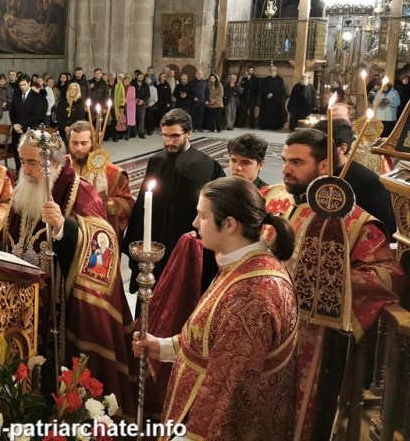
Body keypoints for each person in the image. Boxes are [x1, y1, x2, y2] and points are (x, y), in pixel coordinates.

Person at [263, 128, 404, 440]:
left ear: (324, 166)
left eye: (297, 162)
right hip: (278, 334)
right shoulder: (289, 207)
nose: (286, 169)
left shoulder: (358, 223)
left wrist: (325, 282)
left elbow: (387, 275)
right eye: (285, 160)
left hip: (325, 345)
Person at [133, 177, 298, 440]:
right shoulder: (242, 264)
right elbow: (216, 341)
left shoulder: (251, 296)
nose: (195, 224)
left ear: (230, 224)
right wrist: (162, 347)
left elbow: (226, 394)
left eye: (202, 216)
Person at [0, 129, 137, 418]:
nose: (25, 170)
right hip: (22, 300)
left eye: (33, 163)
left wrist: (65, 228)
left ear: (55, 162)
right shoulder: (25, 189)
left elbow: (104, 244)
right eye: (22, 161)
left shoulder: (79, 189)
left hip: (63, 307)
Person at [123, 108, 224, 294]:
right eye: (165, 136)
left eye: (175, 136)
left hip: (187, 247)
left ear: (189, 134)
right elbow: (142, 208)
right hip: (155, 244)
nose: (169, 142)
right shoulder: (156, 161)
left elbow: (218, 209)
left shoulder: (207, 165)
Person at [312, 118, 397, 237]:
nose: (313, 153)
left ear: (341, 148)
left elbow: (383, 230)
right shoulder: (317, 172)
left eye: (320, 148)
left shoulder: (368, 183)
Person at [67, 120, 134, 240]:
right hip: (68, 234)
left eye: (84, 143)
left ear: (93, 143)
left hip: (99, 236)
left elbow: (127, 205)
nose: (79, 148)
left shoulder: (113, 174)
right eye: (74, 143)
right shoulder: (62, 168)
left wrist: (106, 204)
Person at [9, 74, 46, 171]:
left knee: (28, 155)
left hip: (29, 130)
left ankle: (28, 174)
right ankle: (18, 175)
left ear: (29, 83)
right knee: (17, 155)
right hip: (16, 130)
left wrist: (21, 125)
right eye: (20, 85)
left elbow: (35, 115)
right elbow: (11, 111)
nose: (22, 87)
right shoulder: (16, 94)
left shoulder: (36, 96)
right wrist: (15, 124)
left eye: (24, 85)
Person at [259, 64, 285, 131]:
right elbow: (263, 87)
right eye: (271, 70)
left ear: (276, 70)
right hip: (267, 99)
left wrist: (272, 94)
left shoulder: (280, 79)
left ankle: (274, 126)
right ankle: (264, 125)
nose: (272, 71)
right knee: (265, 113)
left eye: (273, 70)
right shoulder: (265, 79)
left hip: (275, 100)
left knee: (274, 114)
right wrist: (268, 93)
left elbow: (280, 89)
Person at [132, 71, 149, 138]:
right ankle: (133, 132)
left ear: (143, 77)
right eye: (139, 77)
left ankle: (141, 133)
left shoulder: (145, 84)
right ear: (137, 77)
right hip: (134, 103)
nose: (140, 78)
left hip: (142, 104)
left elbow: (148, 95)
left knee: (141, 118)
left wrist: (143, 100)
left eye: (141, 77)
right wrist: (134, 99)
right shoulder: (133, 84)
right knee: (134, 118)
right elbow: (130, 93)